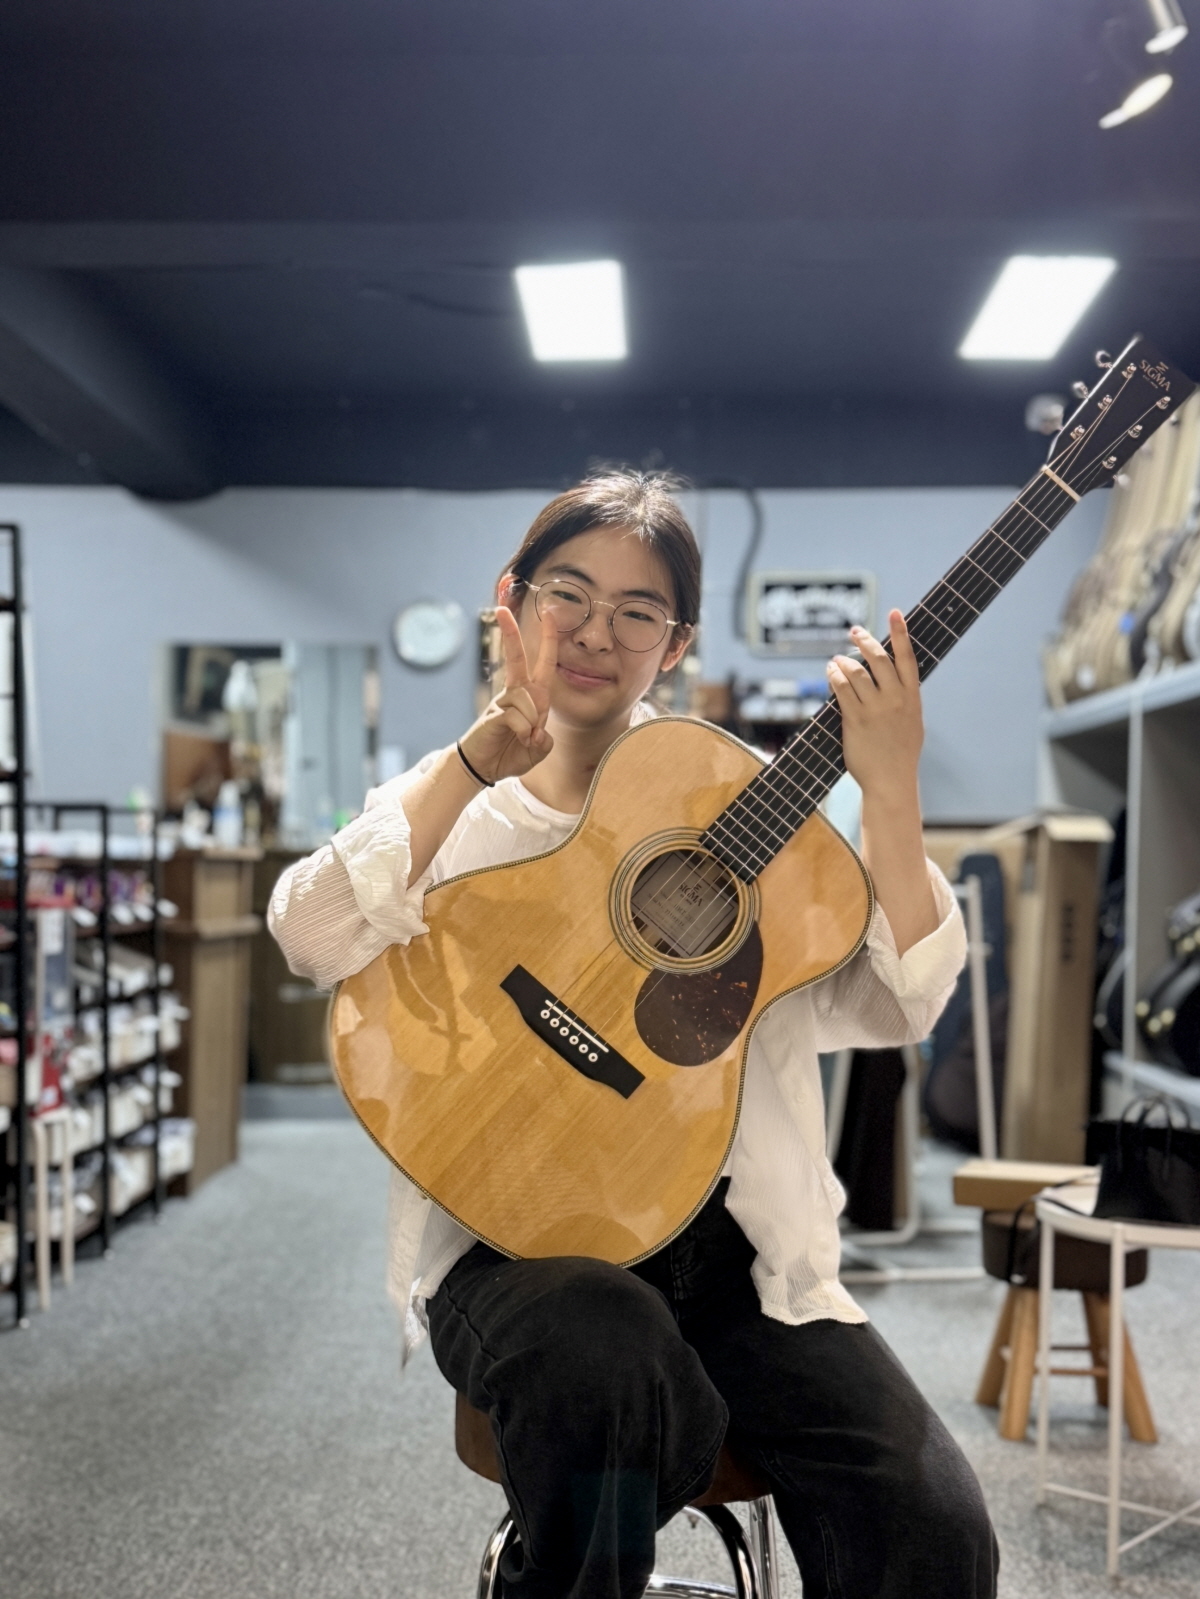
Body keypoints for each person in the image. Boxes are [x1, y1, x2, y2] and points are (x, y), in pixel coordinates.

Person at [269, 472, 998, 1599]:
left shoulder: (739, 796)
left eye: (637, 611)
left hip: (736, 1262)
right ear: (513, 600)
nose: (595, 632)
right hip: (517, 1242)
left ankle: (665, 1417)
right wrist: (474, 764)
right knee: (604, 1351)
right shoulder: (460, 800)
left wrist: (890, 791)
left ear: (677, 643)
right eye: (568, 593)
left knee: (935, 1532)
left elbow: (899, 1004)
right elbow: (309, 934)